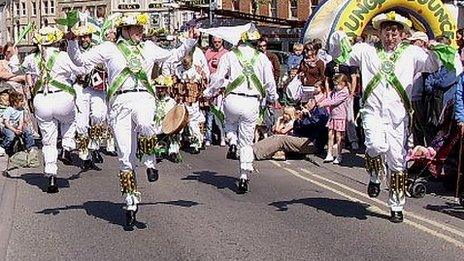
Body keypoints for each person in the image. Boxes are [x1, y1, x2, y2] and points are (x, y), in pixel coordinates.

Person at [66, 12, 199, 230]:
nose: (141, 32)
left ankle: (149, 161)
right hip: (119, 103)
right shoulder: (109, 49)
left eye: (141, 28)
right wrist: (72, 42)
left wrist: (190, 41)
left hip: (143, 97)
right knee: (124, 156)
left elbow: (173, 56)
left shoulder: (148, 48)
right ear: (124, 30)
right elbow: (80, 61)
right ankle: (130, 202)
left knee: (146, 123)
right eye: (136, 28)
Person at [329, 11, 462, 222]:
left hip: (398, 117)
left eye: (394, 32)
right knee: (374, 146)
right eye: (386, 32)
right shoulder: (366, 50)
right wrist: (337, 38)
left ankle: (396, 205)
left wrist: (436, 47)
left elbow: (435, 64)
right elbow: (341, 55)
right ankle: (374, 177)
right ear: (380, 32)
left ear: (401, 34)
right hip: (372, 112)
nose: (390, 37)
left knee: (397, 162)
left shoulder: (412, 53)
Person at [204, 25, 277, 194]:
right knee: (247, 141)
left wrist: (208, 92)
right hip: (251, 103)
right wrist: (273, 99)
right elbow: (270, 83)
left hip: (232, 99)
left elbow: (218, 79)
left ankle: (232, 141)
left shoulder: (229, 56)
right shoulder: (262, 58)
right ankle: (244, 175)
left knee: (229, 124)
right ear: (255, 41)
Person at [24, 26, 86, 193]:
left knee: (48, 141)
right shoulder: (64, 56)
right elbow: (82, 69)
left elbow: (19, 69)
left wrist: (16, 54)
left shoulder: (31, 58)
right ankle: (66, 147)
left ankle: (51, 176)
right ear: (56, 41)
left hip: (42, 101)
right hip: (62, 98)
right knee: (70, 120)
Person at [72, 24, 116, 171]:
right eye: (82, 37)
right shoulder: (73, 50)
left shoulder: (99, 49)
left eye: (88, 36)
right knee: (81, 124)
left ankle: (94, 147)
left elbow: (109, 65)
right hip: (81, 88)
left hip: (98, 88)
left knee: (99, 115)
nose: (85, 39)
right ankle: (86, 157)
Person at [253, 98, 329, 160]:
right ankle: (253, 149)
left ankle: (255, 152)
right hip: (306, 139)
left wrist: (305, 117)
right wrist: (300, 118)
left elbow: (313, 124)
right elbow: (298, 128)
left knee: (281, 140)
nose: (305, 104)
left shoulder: (321, 112)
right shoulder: (313, 112)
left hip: (313, 143)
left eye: (309, 101)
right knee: (276, 137)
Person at [318, 74, 349, 164]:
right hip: (332, 116)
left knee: (339, 137)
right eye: (335, 84)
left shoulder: (344, 92)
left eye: (338, 84)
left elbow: (335, 101)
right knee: (330, 135)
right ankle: (329, 154)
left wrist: (324, 104)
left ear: (344, 83)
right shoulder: (334, 92)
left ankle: (339, 155)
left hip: (340, 116)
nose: (336, 86)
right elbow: (329, 99)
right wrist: (321, 102)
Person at [204, 36, 228, 147]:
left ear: (222, 42)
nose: (217, 44)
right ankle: (208, 138)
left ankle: (223, 137)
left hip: (222, 89)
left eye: (219, 42)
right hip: (210, 86)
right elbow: (204, 67)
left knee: (221, 115)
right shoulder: (208, 52)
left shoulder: (226, 53)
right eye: (215, 42)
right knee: (209, 115)